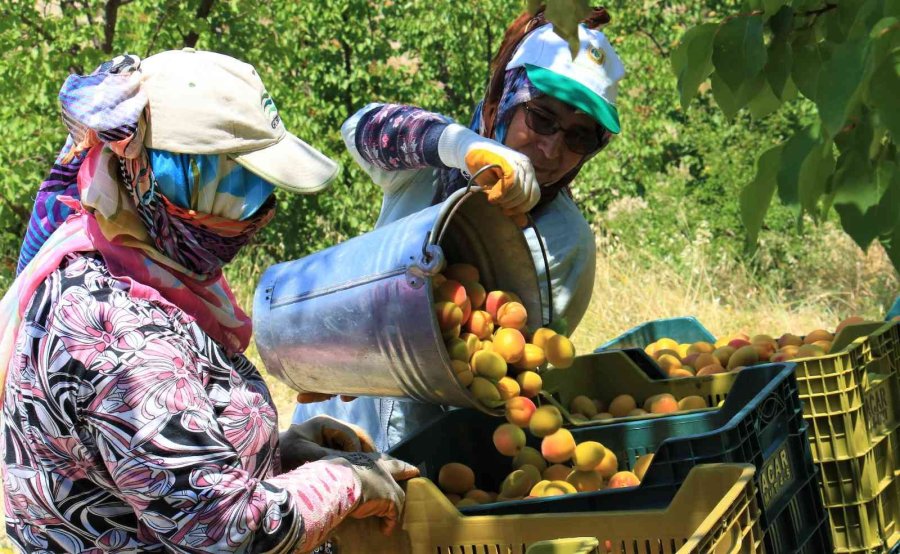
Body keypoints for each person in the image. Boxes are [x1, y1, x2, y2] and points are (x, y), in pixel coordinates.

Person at [0, 49, 417, 553]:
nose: (258, 216)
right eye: (238, 191)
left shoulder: (128, 262)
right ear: (157, 174)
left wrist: (274, 455)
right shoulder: (112, 330)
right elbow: (223, 532)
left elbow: (148, 471)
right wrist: (343, 484)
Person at [293, 8, 626, 451]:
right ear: (505, 98)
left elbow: (514, 368)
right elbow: (361, 127)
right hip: (334, 426)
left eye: (579, 138)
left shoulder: (565, 244)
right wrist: (461, 146)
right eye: (541, 118)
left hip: (431, 456)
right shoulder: (431, 168)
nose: (551, 148)